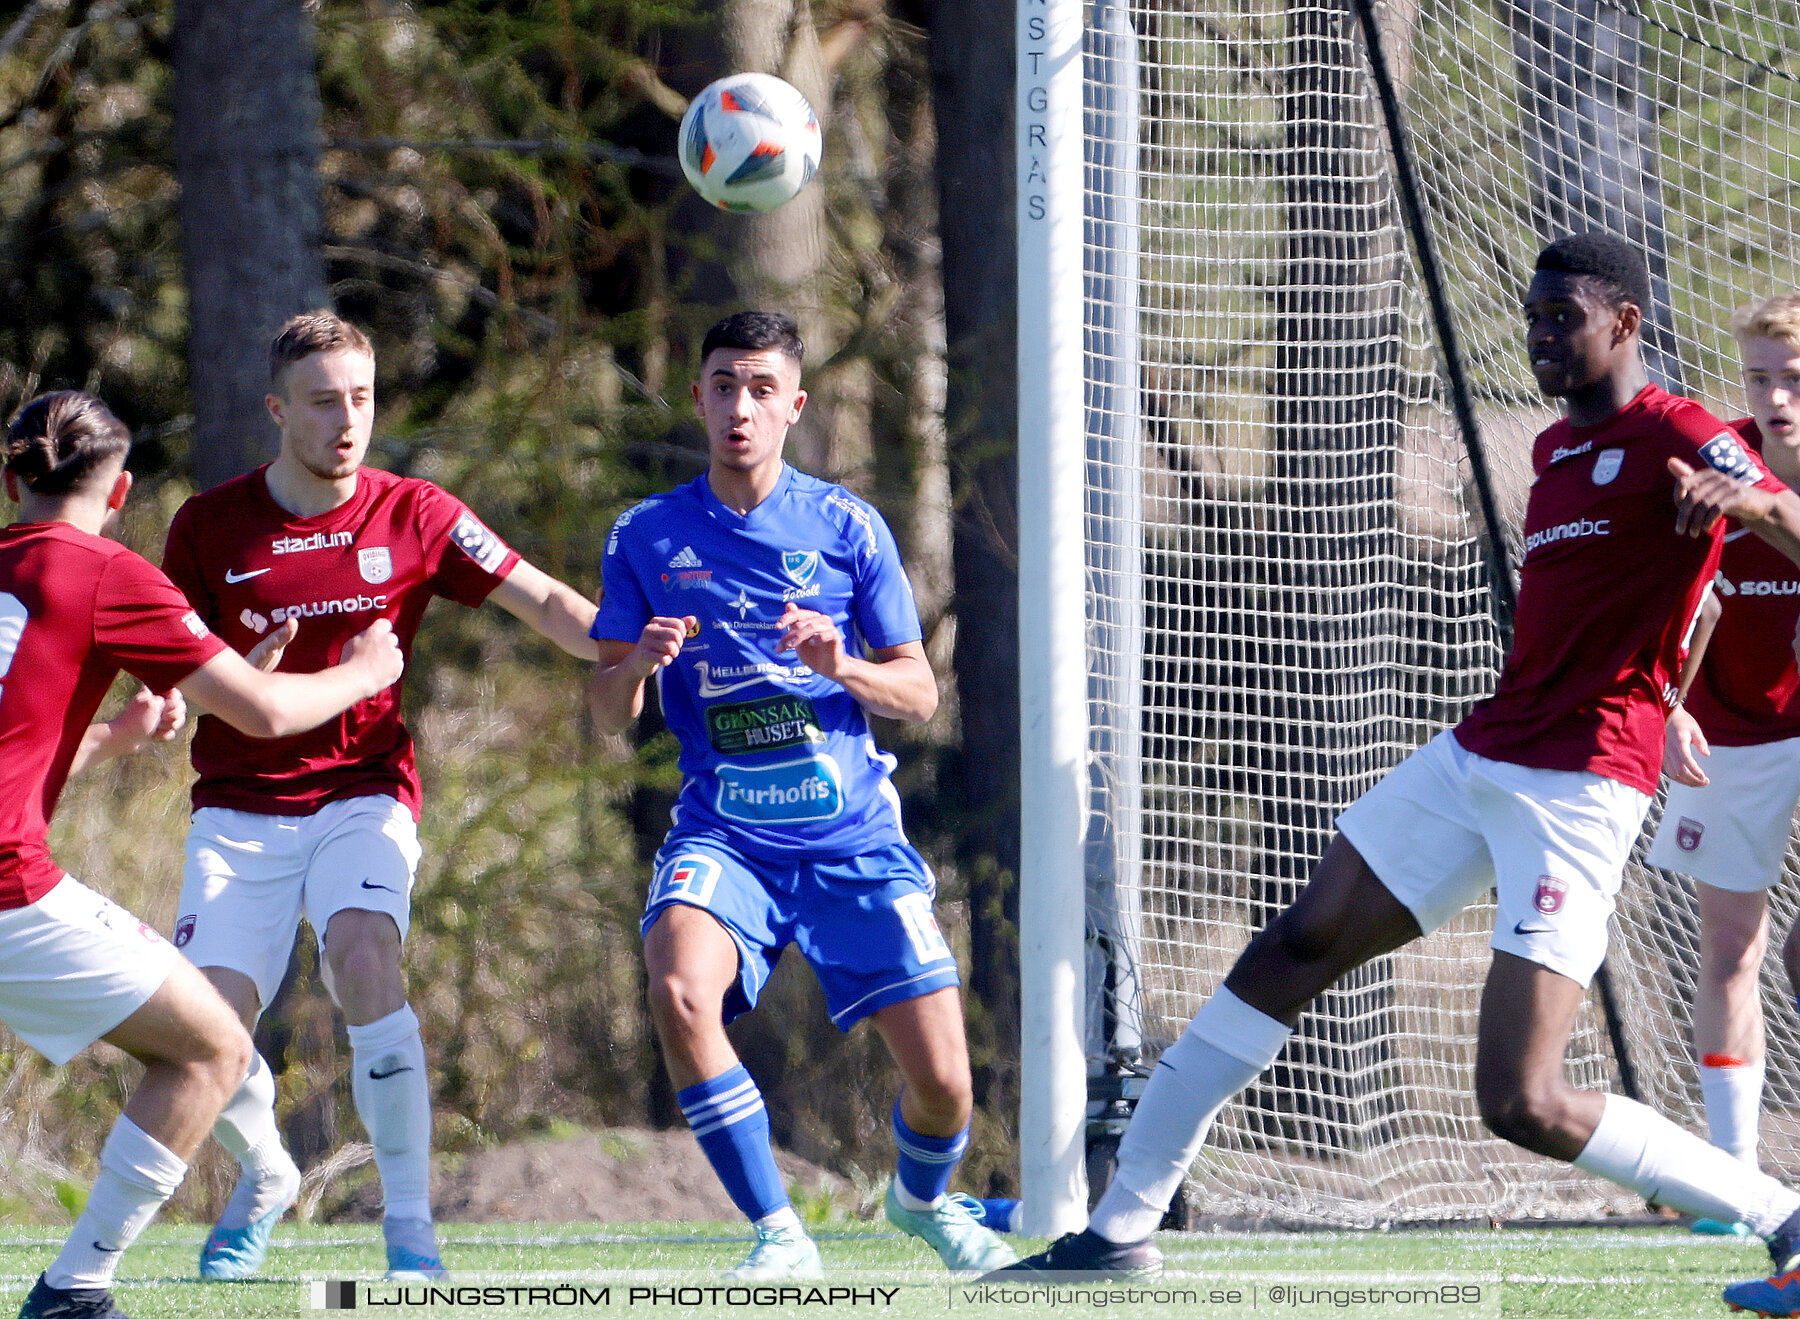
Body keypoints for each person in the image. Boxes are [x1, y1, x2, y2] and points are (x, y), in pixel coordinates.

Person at [991, 235, 1800, 1315]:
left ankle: (1783, 1214)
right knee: (1294, 943)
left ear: (1624, 324)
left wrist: (1744, 505)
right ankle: (1120, 1226)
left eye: (1565, 315)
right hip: (1480, 753)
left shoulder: (1685, 432)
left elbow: (1784, 524)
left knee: (1522, 1097)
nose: (1542, 333)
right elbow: (1660, 611)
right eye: (1534, 314)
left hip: (1578, 787)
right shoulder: (1557, 453)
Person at [159, 311, 600, 1282]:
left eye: (360, 398)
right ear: (279, 411)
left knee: (364, 955)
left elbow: (543, 599)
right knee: (204, 1031)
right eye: (323, 402)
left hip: (365, 792)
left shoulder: (418, 513)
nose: (346, 420)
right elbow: (164, 671)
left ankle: (410, 1226)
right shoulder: (207, 525)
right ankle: (268, 1171)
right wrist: (225, 675)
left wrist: (627, 638)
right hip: (238, 809)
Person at [587, 311, 1016, 1279]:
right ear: (696, 397)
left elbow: (918, 690)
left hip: (851, 838)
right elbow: (607, 710)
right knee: (676, 982)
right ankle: (779, 1231)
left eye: (761, 388)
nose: (740, 406)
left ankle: (918, 1201)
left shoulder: (846, 524)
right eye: (724, 386)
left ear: (794, 406)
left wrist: (843, 664)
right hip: (726, 834)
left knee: (945, 1084)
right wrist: (638, 667)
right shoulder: (647, 534)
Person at [1, 390, 402, 1319]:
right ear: (121, 490)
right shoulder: (107, 570)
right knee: (210, 1046)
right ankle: (77, 1288)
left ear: (8, 480)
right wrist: (368, 670)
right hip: (8, 891)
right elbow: (263, 715)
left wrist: (117, 736)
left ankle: (252, 1182)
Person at [1645, 294, 1800, 1233]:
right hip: (1732, 728)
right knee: (1731, 946)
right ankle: (1735, 1181)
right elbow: (1679, 602)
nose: (1776, 397)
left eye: (1794, 378)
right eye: (1759, 378)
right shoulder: (1716, 459)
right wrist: (1665, 707)